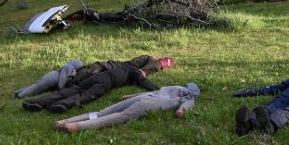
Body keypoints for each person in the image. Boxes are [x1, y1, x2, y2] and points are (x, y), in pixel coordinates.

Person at [55, 83, 200, 133]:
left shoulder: (172, 87)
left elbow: (151, 92)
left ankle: (65, 121)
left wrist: (131, 96)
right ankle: (77, 126)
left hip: (145, 98)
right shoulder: (189, 95)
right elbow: (187, 103)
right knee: (121, 116)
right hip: (153, 104)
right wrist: (181, 110)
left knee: (103, 112)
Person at [15, 55, 174, 98]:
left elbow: (144, 62)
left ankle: (22, 93)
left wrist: (146, 71)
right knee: (40, 86)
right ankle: (21, 93)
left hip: (103, 71)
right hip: (101, 71)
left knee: (41, 85)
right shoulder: (71, 69)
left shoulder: (75, 68)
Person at [22, 63, 158, 113]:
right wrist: (157, 89)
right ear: (142, 71)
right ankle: (61, 105)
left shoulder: (125, 66)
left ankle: (36, 102)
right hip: (106, 83)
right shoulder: (135, 72)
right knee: (85, 95)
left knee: (71, 90)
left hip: (95, 77)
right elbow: (143, 82)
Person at [15, 59, 84, 99]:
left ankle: (18, 92)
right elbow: (63, 78)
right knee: (37, 87)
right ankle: (21, 96)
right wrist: (60, 88)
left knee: (36, 85)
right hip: (52, 78)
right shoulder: (69, 67)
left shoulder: (69, 66)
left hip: (51, 76)